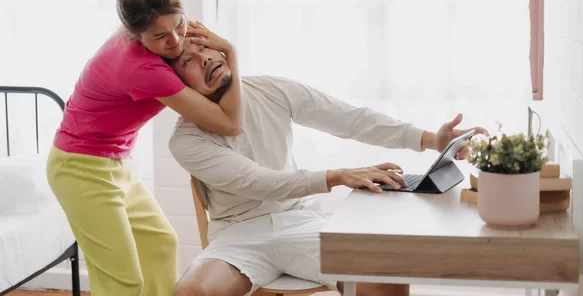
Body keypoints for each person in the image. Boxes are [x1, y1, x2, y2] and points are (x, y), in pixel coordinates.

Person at [168, 38, 486, 296]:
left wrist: (431, 139)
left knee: (386, 275)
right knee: (189, 293)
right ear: (176, 83)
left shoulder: (269, 90)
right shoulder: (184, 140)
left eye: (204, 46)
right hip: (237, 237)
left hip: (302, 223)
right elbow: (256, 181)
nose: (205, 58)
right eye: (188, 61)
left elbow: (348, 118)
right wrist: (335, 176)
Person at [46, 0, 243, 296]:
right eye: (160, 36)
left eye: (178, 25)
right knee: (122, 281)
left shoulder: (159, 35)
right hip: (79, 169)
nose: (176, 41)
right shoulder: (144, 70)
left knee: (160, 243)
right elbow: (229, 123)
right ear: (136, 35)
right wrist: (232, 53)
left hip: (114, 162)